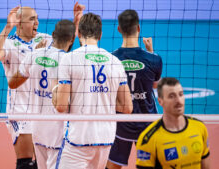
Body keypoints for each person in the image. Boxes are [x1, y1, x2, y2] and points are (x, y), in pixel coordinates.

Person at [0, 3, 84, 169]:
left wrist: (75, 22)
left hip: (43, 110)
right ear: (20, 23)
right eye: (32, 19)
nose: (37, 22)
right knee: (25, 163)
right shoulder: (9, 44)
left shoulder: (44, 39)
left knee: (42, 162)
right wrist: (8, 27)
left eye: (37, 18)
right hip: (20, 110)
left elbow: (65, 45)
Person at [53, 13, 133, 169]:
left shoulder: (69, 59)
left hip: (79, 139)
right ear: (100, 35)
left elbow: (61, 106)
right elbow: (127, 107)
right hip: (105, 140)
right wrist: (103, 100)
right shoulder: (115, 62)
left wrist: (54, 88)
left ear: (79, 33)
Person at [8, 19, 76, 169]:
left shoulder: (33, 55)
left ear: (53, 35)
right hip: (58, 132)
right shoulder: (69, 61)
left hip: (37, 128)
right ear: (72, 39)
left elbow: (12, 83)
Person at [107, 9, 163, 169]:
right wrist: (150, 52)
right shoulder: (155, 59)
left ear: (118, 29)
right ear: (138, 28)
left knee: (112, 166)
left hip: (120, 125)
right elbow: (154, 86)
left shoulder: (111, 60)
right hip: (146, 124)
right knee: (150, 166)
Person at [136, 77, 210, 169]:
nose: (178, 101)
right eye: (171, 96)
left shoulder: (199, 127)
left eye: (181, 94)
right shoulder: (148, 140)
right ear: (160, 101)